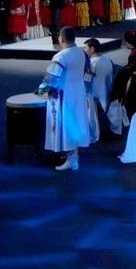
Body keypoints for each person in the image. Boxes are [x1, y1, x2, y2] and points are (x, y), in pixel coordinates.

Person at [42, 27, 91, 171]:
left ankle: (71, 158)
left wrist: (42, 90)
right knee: (77, 122)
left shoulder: (61, 56)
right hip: (79, 92)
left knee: (66, 124)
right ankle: (74, 155)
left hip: (65, 94)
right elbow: (88, 73)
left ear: (61, 39)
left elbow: (51, 79)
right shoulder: (82, 52)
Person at [84, 38, 115, 143]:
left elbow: (86, 81)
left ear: (92, 49)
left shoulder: (92, 63)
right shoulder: (107, 59)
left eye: (85, 48)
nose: (84, 50)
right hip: (107, 92)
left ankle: (91, 133)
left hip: (95, 96)